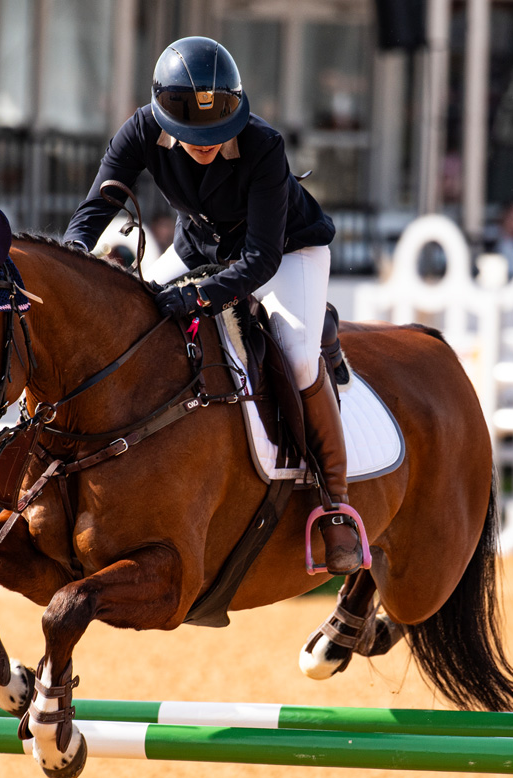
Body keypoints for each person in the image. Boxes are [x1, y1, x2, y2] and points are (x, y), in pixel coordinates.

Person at [62, 37, 363, 575]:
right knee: (135, 327)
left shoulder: (264, 146)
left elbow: (260, 257)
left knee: (295, 354)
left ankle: (334, 502)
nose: (205, 144)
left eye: (216, 134)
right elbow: (98, 205)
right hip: (197, 248)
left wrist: (195, 298)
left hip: (286, 252)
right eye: (192, 136)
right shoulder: (139, 130)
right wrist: (68, 261)